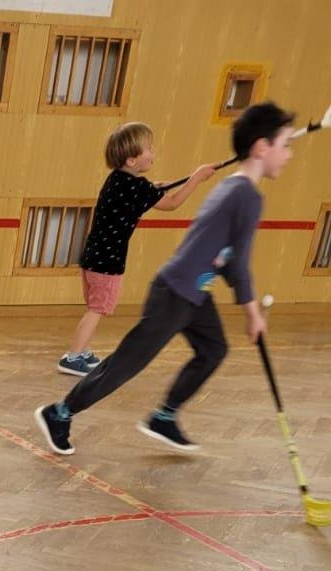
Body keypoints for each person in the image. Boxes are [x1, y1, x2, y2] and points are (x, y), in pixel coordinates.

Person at [36, 101, 294, 457]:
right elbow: (238, 262)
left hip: (195, 292)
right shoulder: (245, 196)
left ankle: (165, 417)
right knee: (127, 363)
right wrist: (252, 313)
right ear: (261, 148)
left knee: (214, 349)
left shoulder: (232, 188)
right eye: (285, 145)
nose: (289, 154)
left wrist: (225, 272)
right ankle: (60, 413)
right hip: (176, 293)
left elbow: (221, 254)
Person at [58, 121, 217, 376]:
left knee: (94, 308)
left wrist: (157, 187)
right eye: (149, 149)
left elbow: (149, 190)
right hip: (108, 263)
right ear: (132, 160)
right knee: (97, 310)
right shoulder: (138, 188)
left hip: (92, 257)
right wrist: (196, 179)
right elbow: (172, 203)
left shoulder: (118, 180)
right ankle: (72, 357)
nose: (153, 152)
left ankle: (83, 351)